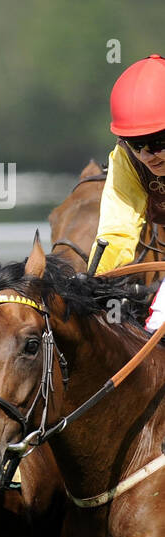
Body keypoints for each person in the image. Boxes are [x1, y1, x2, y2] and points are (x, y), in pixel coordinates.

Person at [94, 55, 165, 330]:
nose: (147, 156)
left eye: (158, 142)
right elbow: (117, 231)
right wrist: (96, 285)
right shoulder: (126, 159)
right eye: (136, 144)